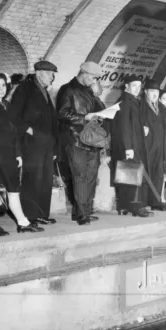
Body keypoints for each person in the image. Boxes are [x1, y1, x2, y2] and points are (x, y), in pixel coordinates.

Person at [0, 73, 43, 236]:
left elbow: (15, 133)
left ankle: (22, 222)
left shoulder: (9, 106)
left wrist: (18, 154)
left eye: (3, 85)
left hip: (10, 156)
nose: (1, 89)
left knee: (14, 190)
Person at [9, 61, 60, 225]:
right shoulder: (25, 89)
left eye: (53, 74)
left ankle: (41, 214)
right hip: (31, 143)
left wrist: (54, 145)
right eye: (49, 73)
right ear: (38, 73)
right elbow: (14, 116)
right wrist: (30, 131)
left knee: (45, 179)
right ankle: (30, 215)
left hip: (46, 142)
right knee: (32, 179)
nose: (52, 77)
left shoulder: (45, 91)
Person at [56, 62, 105, 225]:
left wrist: (97, 95)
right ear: (83, 73)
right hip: (75, 140)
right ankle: (81, 213)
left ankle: (84, 211)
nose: (94, 81)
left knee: (91, 177)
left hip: (91, 139)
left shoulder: (90, 91)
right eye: (92, 78)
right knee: (79, 177)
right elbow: (62, 114)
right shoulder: (67, 90)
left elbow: (101, 111)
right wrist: (84, 118)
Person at [110, 74, 152, 217]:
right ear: (126, 86)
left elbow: (132, 124)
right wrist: (128, 148)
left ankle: (124, 206)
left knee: (126, 176)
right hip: (130, 146)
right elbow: (124, 127)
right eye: (134, 86)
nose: (137, 89)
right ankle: (136, 207)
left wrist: (142, 128)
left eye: (139, 87)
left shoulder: (131, 100)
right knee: (132, 176)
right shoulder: (125, 102)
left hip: (131, 144)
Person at [140, 79, 166, 212]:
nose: (155, 94)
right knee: (145, 174)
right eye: (152, 91)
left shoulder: (162, 108)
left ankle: (156, 200)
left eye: (157, 92)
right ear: (146, 92)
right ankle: (142, 201)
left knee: (158, 175)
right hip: (147, 146)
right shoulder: (141, 106)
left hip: (160, 147)